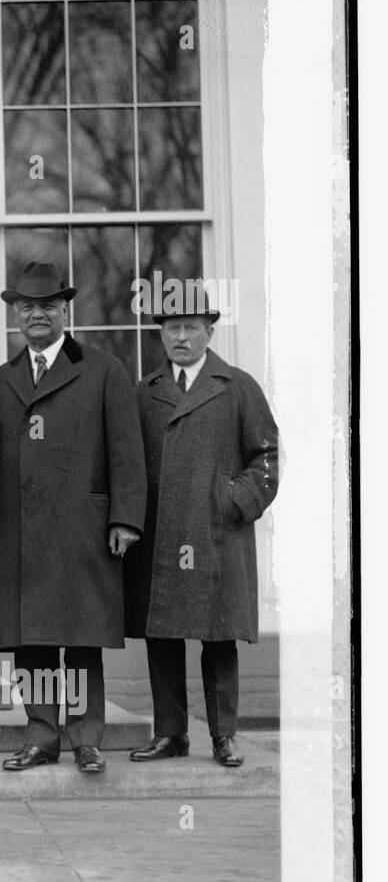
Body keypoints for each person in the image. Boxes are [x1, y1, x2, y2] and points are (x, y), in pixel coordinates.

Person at [0, 261, 146, 774]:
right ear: (15, 313)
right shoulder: (0, 381)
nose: (37, 315)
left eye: (47, 306)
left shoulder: (103, 370)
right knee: (31, 640)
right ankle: (40, 736)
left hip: (82, 527)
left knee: (79, 639)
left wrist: (125, 519)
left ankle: (85, 738)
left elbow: (127, 452)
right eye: (27, 307)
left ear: (64, 310)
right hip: (21, 533)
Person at [124, 283, 279, 767]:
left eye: (192, 327)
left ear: (210, 332)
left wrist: (234, 500)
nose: (182, 338)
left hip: (217, 535)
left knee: (218, 638)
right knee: (163, 637)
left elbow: (267, 457)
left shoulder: (238, 386)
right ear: (161, 335)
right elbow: (126, 463)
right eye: (173, 328)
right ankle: (170, 734)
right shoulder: (145, 393)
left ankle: (224, 736)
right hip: (161, 535)